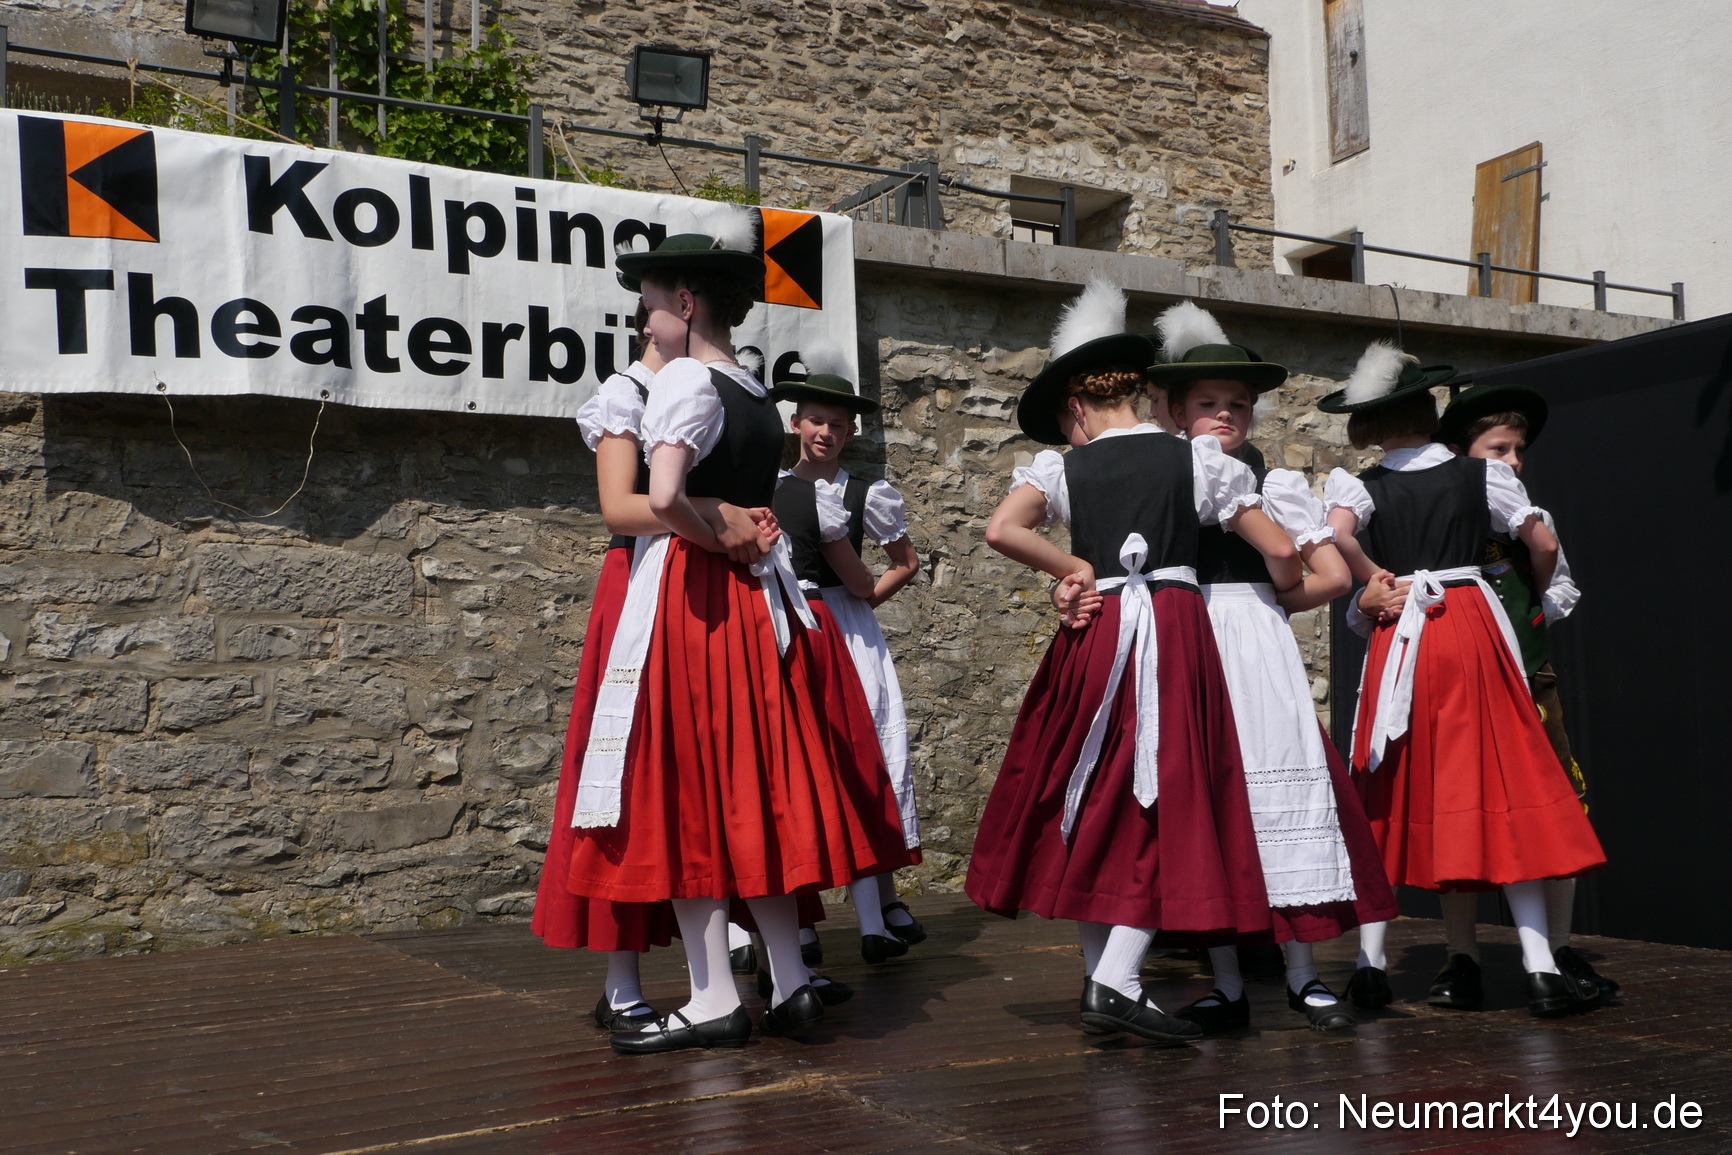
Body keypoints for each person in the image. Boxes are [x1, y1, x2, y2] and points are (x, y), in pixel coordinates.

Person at [564, 210, 913, 1053]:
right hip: (752, 601)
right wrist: (738, 526)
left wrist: (710, 523)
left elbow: (657, 501)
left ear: (685, 301)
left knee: (680, 788)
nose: (645, 322)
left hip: (692, 596)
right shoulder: (757, 388)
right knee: (747, 782)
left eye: (651, 305)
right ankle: (789, 979)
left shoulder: (683, 382)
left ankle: (714, 993)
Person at [964, 279, 1289, 1045]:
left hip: (1099, 631)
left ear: (1077, 407)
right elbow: (1277, 548)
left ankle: (1105, 975)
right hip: (1172, 629)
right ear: (1135, 394)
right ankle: (1116, 978)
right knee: (1174, 793)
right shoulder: (1200, 462)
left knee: (1093, 791)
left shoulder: (1060, 469)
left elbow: (1001, 529)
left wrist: (1072, 570)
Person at [1319, 342, 1606, 1018]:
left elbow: (1331, 535)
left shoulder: (1359, 485)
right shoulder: (1482, 477)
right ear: (1428, 410)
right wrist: (1529, 598)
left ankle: (1369, 965)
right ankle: (1540, 965)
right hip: (1473, 623)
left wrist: (1374, 579)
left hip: (1407, 634)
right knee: (1506, 777)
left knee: (1393, 781)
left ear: (1369, 422)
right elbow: (1543, 543)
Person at [1142, 304, 1400, 1033]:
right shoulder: (1161, 470)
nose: (1225, 415)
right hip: (1184, 631)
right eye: (1208, 403)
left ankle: (1303, 973)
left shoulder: (1271, 478)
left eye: (1239, 405)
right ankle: (1226, 980)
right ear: (1173, 409)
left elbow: (1328, 577)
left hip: (1252, 636)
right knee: (1210, 803)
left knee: (1278, 793)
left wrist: (1267, 598)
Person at [532, 304, 768, 1032]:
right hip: (638, 586)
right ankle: (623, 978)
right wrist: (718, 512)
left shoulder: (718, 391)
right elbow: (619, 508)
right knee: (625, 779)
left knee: (709, 773)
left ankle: (758, 960)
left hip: (702, 586)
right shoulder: (627, 393)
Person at [1421, 383, 1619, 1008]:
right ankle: (1461, 958)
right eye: (1497, 448)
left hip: (1527, 682)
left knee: (1555, 807)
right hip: (1458, 690)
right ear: (1458, 454)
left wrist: (1517, 623)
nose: (1512, 461)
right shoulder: (1435, 523)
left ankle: (1557, 950)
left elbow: (1554, 594)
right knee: (1460, 815)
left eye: (1518, 450)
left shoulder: (1533, 524)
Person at [769, 365, 927, 965]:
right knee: (805, 757)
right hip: (791, 620)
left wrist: (864, 595)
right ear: (796, 425)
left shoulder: (867, 494)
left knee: (869, 754)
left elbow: (904, 561)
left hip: (848, 626)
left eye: (837, 424)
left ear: (851, 431)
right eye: (816, 421)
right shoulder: (774, 486)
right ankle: (815, 915)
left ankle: (879, 903)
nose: (825, 433)